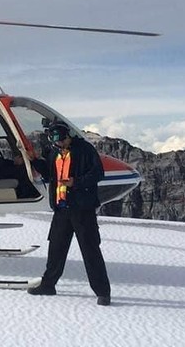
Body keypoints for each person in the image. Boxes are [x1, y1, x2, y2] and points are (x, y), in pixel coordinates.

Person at [27, 121, 111, 306]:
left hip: (82, 210)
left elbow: (98, 173)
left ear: (67, 136)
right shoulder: (55, 152)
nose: (58, 145)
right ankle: (48, 284)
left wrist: (77, 182)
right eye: (55, 142)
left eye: (60, 141)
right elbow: (50, 174)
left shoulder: (85, 150)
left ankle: (103, 292)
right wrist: (34, 160)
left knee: (90, 251)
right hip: (61, 208)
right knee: (55, 249)